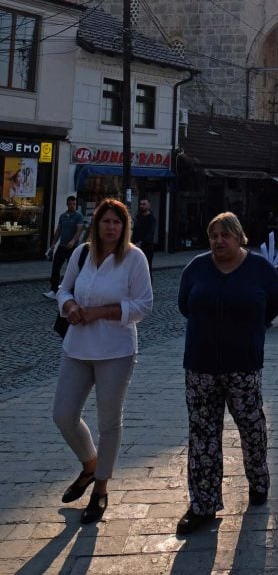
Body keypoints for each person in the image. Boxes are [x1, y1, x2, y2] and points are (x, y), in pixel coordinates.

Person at [176, 211, 278, 534]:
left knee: (252, 428)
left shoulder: (260, 270)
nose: (218, 241)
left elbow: (274, 305)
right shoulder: (196, 268)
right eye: (213, 236)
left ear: (239, 237)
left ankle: (258, 481)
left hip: (244, 366)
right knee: (202, 436)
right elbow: (185, 305)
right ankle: (203, 504)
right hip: (201, 366)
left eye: (225, 235)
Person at [52, 198, 153, 524]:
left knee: (109, 422)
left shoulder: (134, 258)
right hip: (77, 346)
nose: (111, 226)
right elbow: (63, 290)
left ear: (125, 227)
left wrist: (100, 312)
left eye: (117, 222)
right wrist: (69, 308)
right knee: (64, 416)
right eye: (106, 221)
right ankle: (90, 464)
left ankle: (100, 490)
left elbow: (143, 305)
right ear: (97, 224)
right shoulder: (82, 253)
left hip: (116, 351)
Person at [44, 195, 85, 300]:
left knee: (72, 269)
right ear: (67, 204)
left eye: (74, 204)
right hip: (62, 246)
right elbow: (58, 230)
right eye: (70, 204)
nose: (72, 206)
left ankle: (73, 290)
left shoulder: (78, 216)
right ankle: (54, 290)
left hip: (73, 247)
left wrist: (72, 241)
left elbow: (79, 231)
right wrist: (53, 243)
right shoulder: (63, 216)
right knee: (56, 267)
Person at [132, 198, 156, 276]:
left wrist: (141, 242)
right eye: (141, 204)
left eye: (144, 204)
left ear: (148, 205)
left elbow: (150, 233)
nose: (142, 206)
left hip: (147, 248)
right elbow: (134, 231)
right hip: (135, 247)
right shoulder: (138, 217)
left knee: (147, 269)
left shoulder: (151, 219)